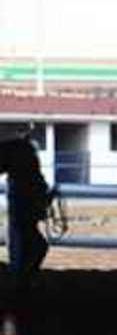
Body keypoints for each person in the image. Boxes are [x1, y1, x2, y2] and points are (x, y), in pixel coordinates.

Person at [0, 127, 50, 300]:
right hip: (25, 209)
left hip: (22, 207)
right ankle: (22, 286)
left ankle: (22, 285)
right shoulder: (25, 153)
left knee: (28, 246)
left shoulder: (19, 153)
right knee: (33, 246)